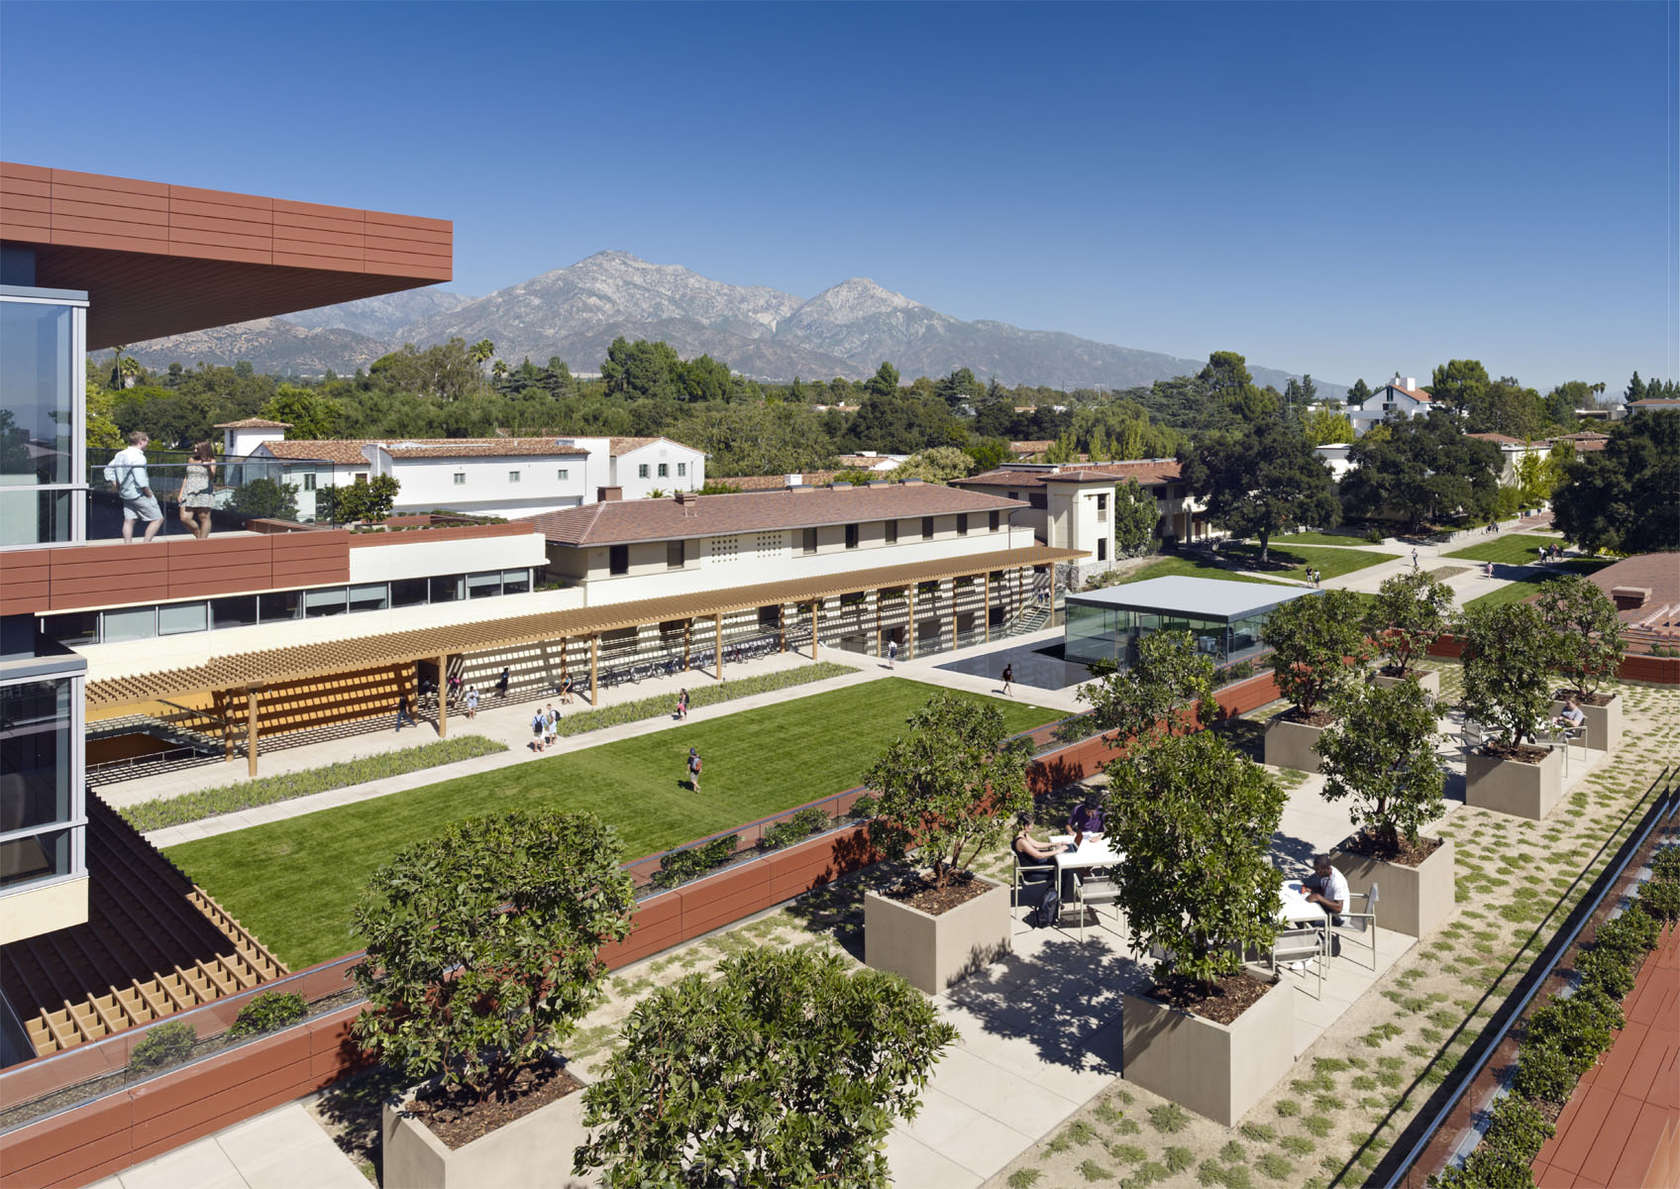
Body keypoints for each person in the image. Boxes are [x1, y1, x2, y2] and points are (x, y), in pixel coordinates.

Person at [103, 430, 163, 543]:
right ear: (141, 441)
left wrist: (116, 483)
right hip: (138, 494)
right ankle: (145, 545)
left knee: (129, 520)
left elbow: (108, 469)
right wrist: (149, 494)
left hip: (125, 493)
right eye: (147, 441)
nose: (148, 444)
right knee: (157, 519)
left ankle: (128, 548)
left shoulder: (120, 454)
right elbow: (141, 481)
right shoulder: (139, 457)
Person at [177, 440, 217, 539]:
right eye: (194, 448)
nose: (195, 451)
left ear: (204, 449)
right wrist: (181, 493)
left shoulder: (212, 460)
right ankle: (198, 533)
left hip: (203, 491)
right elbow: (186, 477)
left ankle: (202, 542)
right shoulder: (191, 460)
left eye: (197, 449)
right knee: (184, 518)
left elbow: (212, 477)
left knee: (204, 517)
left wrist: (208, 468)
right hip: (189, 491)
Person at [1300, 855, 1350, 928]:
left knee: (1304, 919)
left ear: (1327, 868)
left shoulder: (1337, 882)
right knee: (1303, 910)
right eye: (1315, 869)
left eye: (1318, 870)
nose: (1316, 872)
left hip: (1337, 917)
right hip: (1327, 907)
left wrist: (1318, 897)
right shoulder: (1325, 874)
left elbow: (1339, 908)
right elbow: (1324, 889)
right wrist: (1312, 890)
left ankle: (1313, 937)